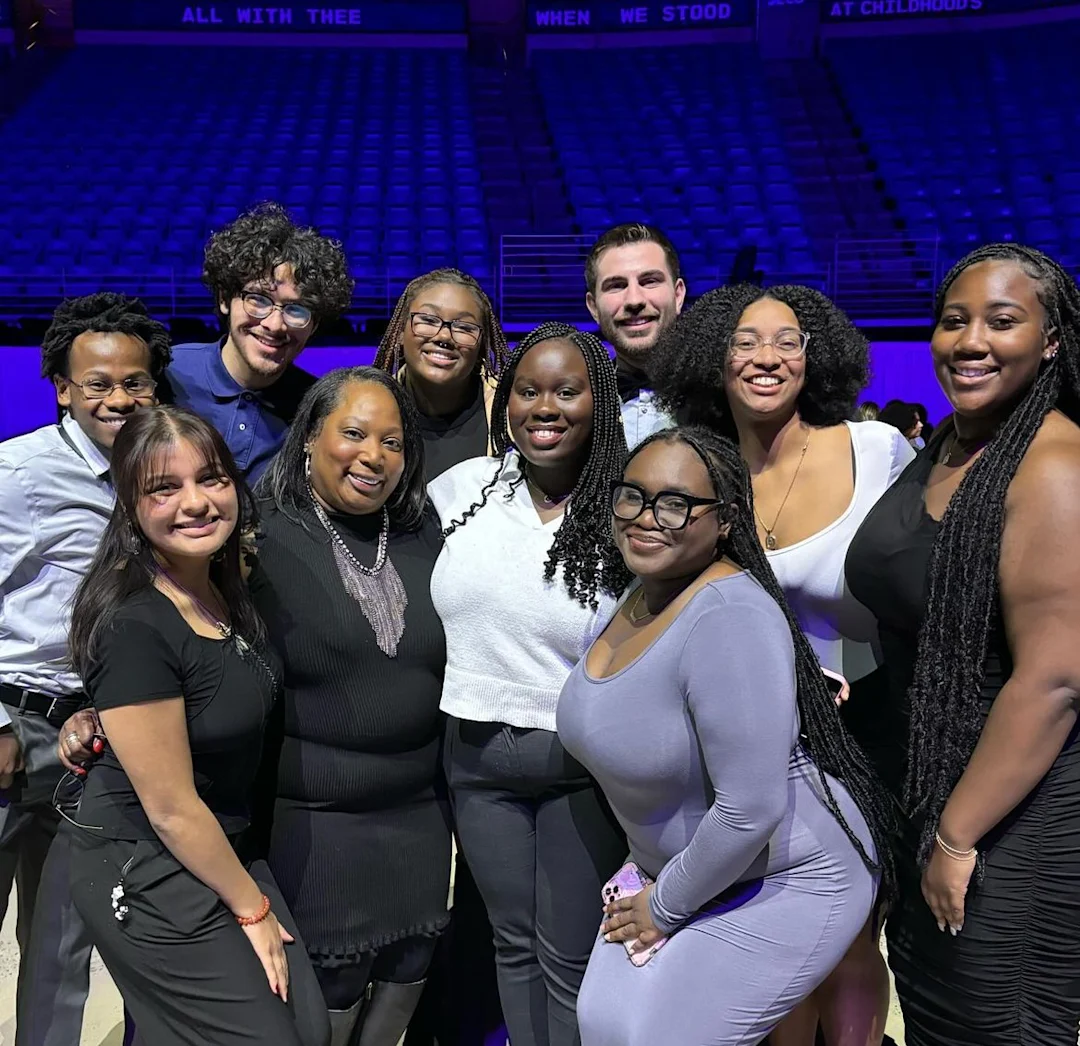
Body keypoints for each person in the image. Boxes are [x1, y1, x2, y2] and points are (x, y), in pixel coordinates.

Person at [557, 427, 895, 1045]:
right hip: (685, 868)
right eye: (632, 495)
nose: (647, 518)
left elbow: (749, 808)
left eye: (676, 503)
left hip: (789, 875)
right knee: (603, 1026)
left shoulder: (729, 615)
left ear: (726, 521)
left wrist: (661, 908)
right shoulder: (645, 593)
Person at [650, 286, 914, 1046]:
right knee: (773, 930)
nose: (767, 356)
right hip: (744, 732)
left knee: (853, 924)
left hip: (863, 722)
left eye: (787, 340)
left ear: (815, 354)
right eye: (745, 340)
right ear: (712, 355)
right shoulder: (697, 463)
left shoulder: (876, 450)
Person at [846, 243, 1080, 1044]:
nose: (970, 340)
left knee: (997, 1021)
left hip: (1009, 821)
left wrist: (956, 836)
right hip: (932, 791)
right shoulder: (952, 443)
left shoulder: (1053, 465)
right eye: (954, 321)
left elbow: (1053, 681)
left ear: (1052, 340)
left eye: (1003, 321)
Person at [62, 406, 329, 1046]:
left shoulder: (222, 587)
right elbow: (172, 809)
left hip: (219, 842)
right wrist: (253, 908)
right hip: (145, 861)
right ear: (129, 505)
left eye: (210, 479)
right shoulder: (134, 623)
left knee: (307, 1028)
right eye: (164, 487)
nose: (196, 503)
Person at [428, 322, 630, 1046]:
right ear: (504, 400)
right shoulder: (460, 492)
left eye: (567, 391)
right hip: (476, 760)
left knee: (571, 954)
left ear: (598, 401)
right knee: (511, 946)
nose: (545, 407)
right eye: (529, 390)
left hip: (583, 766)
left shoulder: (626, 505)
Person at [251, 367, 452, 1046]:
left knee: (408, 970)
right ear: (311, 436)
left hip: (419, 817)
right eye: (355, 433)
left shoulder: (425, 533)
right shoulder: (260, 537)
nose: (374, 455)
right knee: (329, 990)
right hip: (317, 824)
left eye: (393, 442)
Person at [0, 292, 170, 1046]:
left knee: (63, 946)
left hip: (92, 741)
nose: (118, 398)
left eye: (135, 382)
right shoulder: (18, 472)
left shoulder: (160, 474)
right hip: (11, 728)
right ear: (63, 387)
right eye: (97, 383)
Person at [162, 201, 354, 482]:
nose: (275, 325)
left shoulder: (317, 408)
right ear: (225, 299)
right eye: (258, 300)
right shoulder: (165, 372)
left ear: (313, 325)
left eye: (296, 309)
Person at [374, 267, 510, 480]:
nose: (444, 337)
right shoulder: (368, 409)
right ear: (400, 331)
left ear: (482, 344)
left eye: (464, 327)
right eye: (428, 320)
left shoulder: (510, 414)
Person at [584, 224, 686, 448]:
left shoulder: (723, 396)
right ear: (593, 307)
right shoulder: (577, 404)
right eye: (616, 286)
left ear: (678, 295)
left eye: (649, 281)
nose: (634, 300)